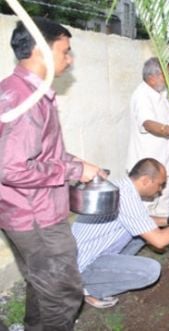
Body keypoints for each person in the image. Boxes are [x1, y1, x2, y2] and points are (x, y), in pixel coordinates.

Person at [0, 18, 101, 330]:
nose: (69, 60)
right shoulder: (27, 100)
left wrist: (77, 163)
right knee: (63, 294)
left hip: (20, 210)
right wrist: (72, 168)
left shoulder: (12, 89)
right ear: (40, 50)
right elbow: (12, 167)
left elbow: (36, 151)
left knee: (41, 281)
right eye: (65, 51)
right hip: (37, 216)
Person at [72, 158, 169, 308]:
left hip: (86, 251)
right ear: (145, 180)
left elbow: (141, 220)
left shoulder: (121, 187)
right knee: (150, 271)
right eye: (159, 185)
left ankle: (104, 274)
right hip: (81, 265)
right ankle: (88, 289)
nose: (160, 190)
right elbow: (159, 241)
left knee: (142, 235)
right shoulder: (126, 197)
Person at [126, 57, 169, 218]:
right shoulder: (142, 95)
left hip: (167, 167)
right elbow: (147, 123)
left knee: (164, 213)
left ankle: (162, 241)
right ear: (153, 77)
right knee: (145, 215)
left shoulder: (161, 95)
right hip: (149, 172)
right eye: (168, 73)